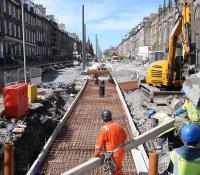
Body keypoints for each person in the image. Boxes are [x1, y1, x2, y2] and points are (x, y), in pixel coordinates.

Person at [94, 110, 127, 175]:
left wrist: (96, 154)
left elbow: (99, 146)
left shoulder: (104, 129)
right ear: (111, 117)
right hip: (120, 152)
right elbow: (125, 137)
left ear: (103, 118)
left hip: (112, 155)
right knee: (118, 169)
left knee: (112, 171)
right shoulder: (118, 125)